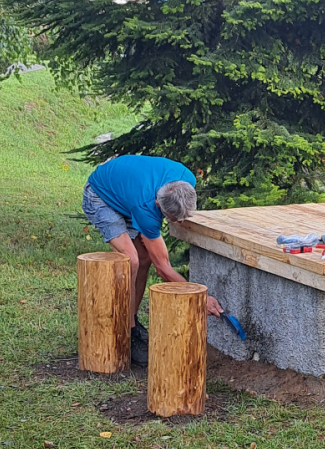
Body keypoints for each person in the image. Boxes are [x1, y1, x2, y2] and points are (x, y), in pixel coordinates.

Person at [82, 154, 223, 366]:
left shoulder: (187, 180)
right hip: (101, 195)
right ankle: (127, 333)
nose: (179, 222)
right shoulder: (146, 207)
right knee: (131, 260)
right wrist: (201, 297)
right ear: (158, 204)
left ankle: (132, 320)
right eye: (173, 219)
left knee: (145, 257)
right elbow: (164, 269)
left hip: (127, 191)